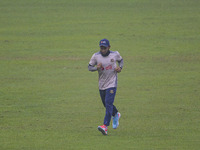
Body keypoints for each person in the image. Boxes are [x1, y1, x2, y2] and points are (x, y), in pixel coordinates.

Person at [88, 38, 124, 135]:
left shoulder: (115, 54)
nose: (102, 50)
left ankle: (105, 126)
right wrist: (96, 68)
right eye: (101, 48)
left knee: (108, 103)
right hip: (102, 84)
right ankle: (115, 114)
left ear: (109, 47)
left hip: (112, 83)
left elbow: (121, 61)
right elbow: (89, 67)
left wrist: (120, 68)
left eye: (104, 48)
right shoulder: (96, 56)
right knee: (106, 104)